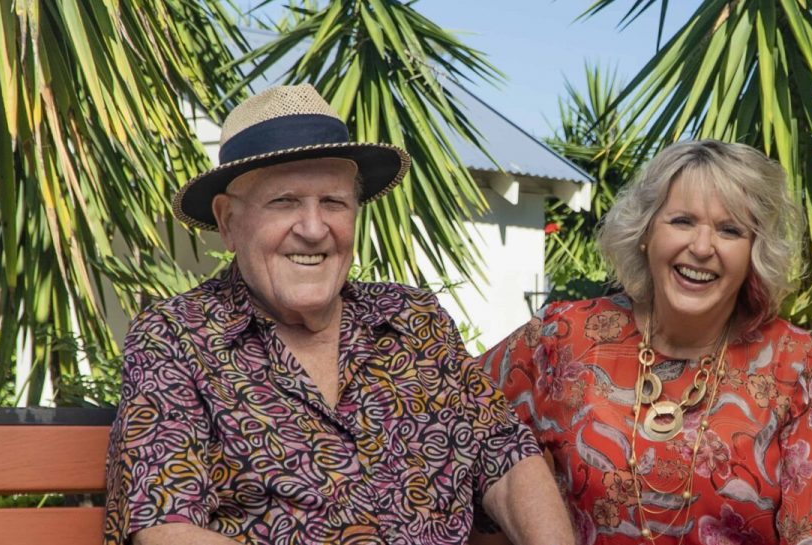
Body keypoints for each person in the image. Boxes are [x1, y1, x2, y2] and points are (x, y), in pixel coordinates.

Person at [104, 84, 574, 545]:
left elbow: (505, 456)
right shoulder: (176, 337)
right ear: (228, 222)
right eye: (283, 202)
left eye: (333, 202)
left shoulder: (413, 319)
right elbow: (165, 524)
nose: (313, 229)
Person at [474, 140, 812, 545]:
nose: (702, 248)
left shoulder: (801, 367)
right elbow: (444, 421)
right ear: (645, 232)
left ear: (754, 252)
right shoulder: (563, 338)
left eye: (730, 230)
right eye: (682, 221)